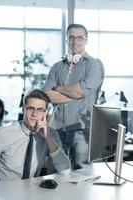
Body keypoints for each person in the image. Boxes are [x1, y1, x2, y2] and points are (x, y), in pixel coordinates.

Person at [0, 89, 71, 181]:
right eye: (30, 108)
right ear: (23, 110)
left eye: (40, 110)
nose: (34, 114)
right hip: (3, 191)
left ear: (45, 113)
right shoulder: (3, 133)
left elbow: (65, 171)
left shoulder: (51, 135)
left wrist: (48, 138)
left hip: (31, 192)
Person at [42, 23, 104, 168]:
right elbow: (46, 95)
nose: (75, 41)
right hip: (56, 129)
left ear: (86, 40)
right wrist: (76, 93)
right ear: (66, 40)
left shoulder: (94, 65)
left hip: (82, 129)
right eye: (71, 37)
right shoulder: (57, 67)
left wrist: (57, 88)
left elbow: (80, 91)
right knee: (55, 174)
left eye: (79, 38)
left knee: (82, 177)